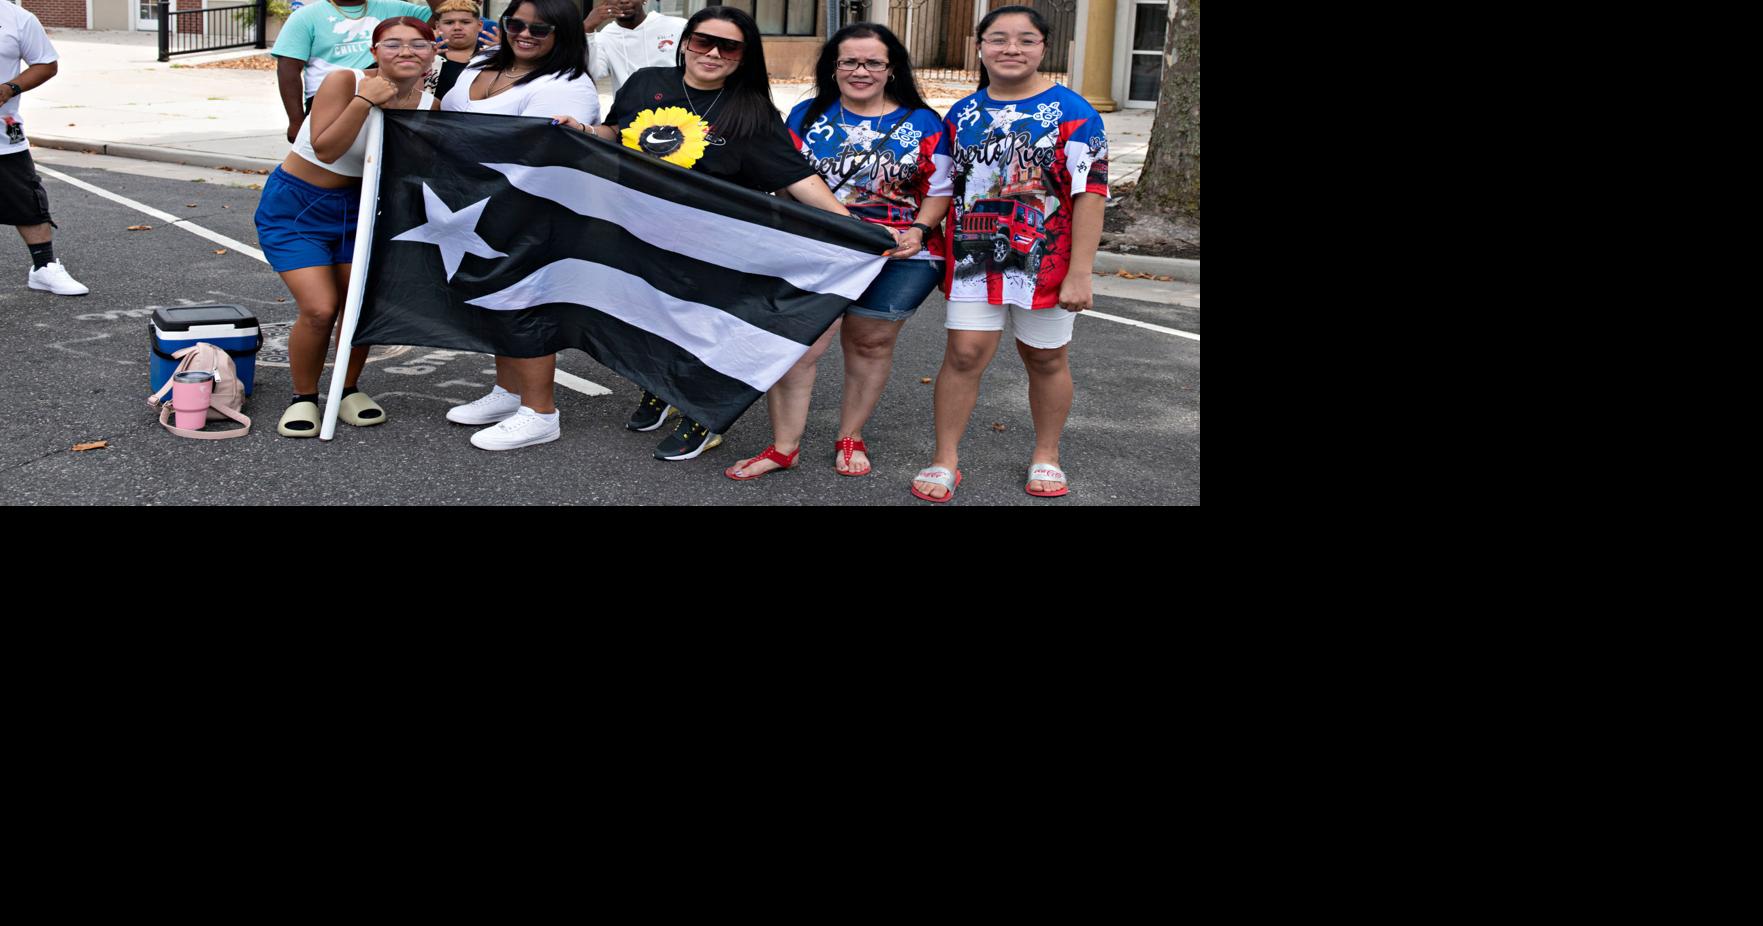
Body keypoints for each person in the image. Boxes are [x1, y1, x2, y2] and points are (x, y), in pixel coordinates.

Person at [557, 4, 856, 462]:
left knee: (703, 328)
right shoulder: (647, 81)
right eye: (702, 41)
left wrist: (846, 223)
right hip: (642, 229)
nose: (712, 52)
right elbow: (617, 130)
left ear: (743, 56)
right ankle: (659, 388)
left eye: (728, 46)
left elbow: (794, 175)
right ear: (685, 42)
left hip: (715, 245)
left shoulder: (751, 110)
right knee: (652, 317)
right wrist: (583, 131)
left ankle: (703, 416)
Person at [724, 22, 948, 481]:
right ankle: (784, 447)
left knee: (870, 344)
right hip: (818, 248)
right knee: (799, 346)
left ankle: (851, 435)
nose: (860, 71)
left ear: (891, 70)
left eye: (873, 62)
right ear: (833, 67)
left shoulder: (924, 122)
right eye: (849, 61)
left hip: (899, 253)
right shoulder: (804, 116)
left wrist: (921, 231)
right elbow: (784, 182)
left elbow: (939, 188)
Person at [909, 5, 1108, 502]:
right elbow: (942, 186)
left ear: (1044, 48)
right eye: (998, 39)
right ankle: (945, 458)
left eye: (1024, 39)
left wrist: (1080, 272)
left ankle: (1047, 454)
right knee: (963, 353)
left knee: (1044, 358)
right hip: (973, 257)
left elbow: (1090, 195)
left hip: (1047, 262)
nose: (1011, 49)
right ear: (980, 47)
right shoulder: (963, 113)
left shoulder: (1076, 114)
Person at [256, 17, 440, 438]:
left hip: (361, 210)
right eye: (392, 44)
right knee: (320, 309)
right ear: (374, 52)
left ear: (433, 53)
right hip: (298, 207)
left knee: (356, 310)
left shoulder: (430, 106)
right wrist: (366, 101)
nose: (406, 52)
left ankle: (347, 388)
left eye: (419, 44)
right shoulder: (345, 80)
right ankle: (304, 397)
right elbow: (325, 147)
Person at [437, 0, 600, 452]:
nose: (525, 33)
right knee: (494, 300)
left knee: (525, 303)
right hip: (473, 204)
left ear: (563, 32)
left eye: (540, 28)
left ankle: (540, 412)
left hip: (528, 209)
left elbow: (537, 151)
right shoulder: (485, 63)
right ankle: (508, 394)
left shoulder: (566, 83)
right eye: (516, 23)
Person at [2, 2, 85, 296]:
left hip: (3, 135)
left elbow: (46, 64)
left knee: (28, 201)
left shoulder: (16, 18)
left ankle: (43, 268)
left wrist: (9, 88)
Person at [272, 0, 433, 144]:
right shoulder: (305, 16)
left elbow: (443, 13)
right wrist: (296, 121)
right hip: (328, 100)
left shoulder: (397, 7)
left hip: (388, 95)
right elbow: (289, 69)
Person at [582, 0, 686, 92]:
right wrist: (587, 30)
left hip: (674, 107)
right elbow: (594, 73)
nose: (624, 1)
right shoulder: (605, 37)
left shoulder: (677, 26)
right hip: (629, 110)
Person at [427, 0, 487, 98]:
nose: (457, 27)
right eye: (449, 22)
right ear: (438, 27)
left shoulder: (494, 58)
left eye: (465, 22)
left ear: (479, 25)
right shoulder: (429, 61)